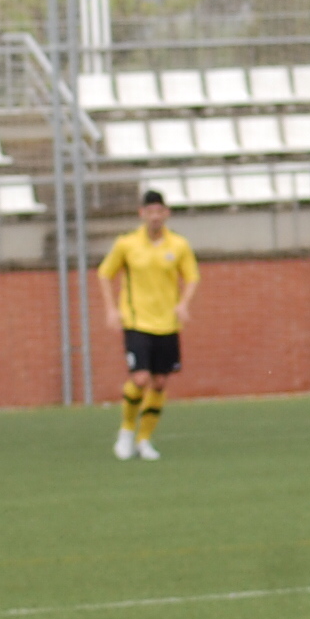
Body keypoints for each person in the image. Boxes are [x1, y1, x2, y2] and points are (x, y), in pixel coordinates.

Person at [98, 189, 198, 461]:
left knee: (160, 382)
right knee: (140, 378)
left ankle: (145, 440)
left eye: (159, 211)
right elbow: (105, 273)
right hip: (137, 321)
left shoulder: (178, 245)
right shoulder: (127, 244)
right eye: (150, 212)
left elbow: (191, 277)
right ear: (142, 214)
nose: (155, 216)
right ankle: (127, 430)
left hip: (167, 323)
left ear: (166, 213)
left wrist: (184, 304)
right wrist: (111, 309)